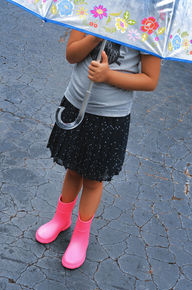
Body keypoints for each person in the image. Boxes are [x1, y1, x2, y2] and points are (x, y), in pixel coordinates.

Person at [35, 29, 161, 269]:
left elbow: (150, 79)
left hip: (110, 117)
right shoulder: (92, 9)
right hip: (75, 103)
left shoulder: (149, 25)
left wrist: (108, 76)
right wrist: (94, 36)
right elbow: (71, 55)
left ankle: (81, 235)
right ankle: (60, 218)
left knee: (93, 179)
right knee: (73, 169)